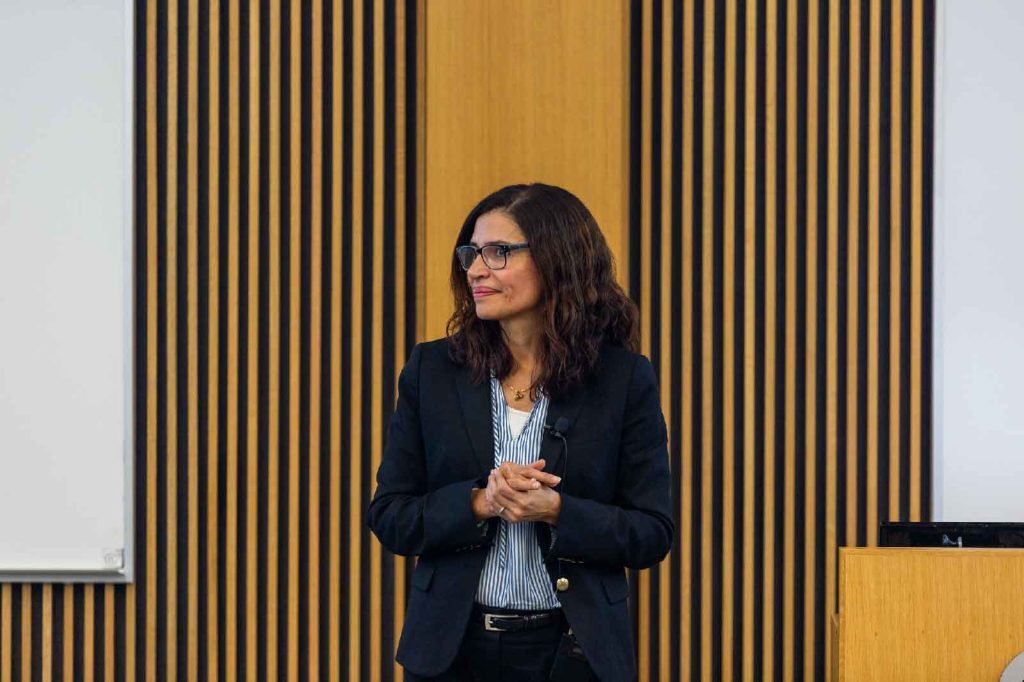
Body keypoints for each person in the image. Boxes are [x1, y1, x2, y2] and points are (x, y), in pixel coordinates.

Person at [367, 183, 674, 681]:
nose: (476, 270)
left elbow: (652, 533)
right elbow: (390, 515)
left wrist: (557, 511)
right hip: (453, 652)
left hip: (573, 653)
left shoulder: (621, 380)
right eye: (472, 253)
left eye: (499, 253)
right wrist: (479, 502)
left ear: (557, 261)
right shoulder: (433, 371)